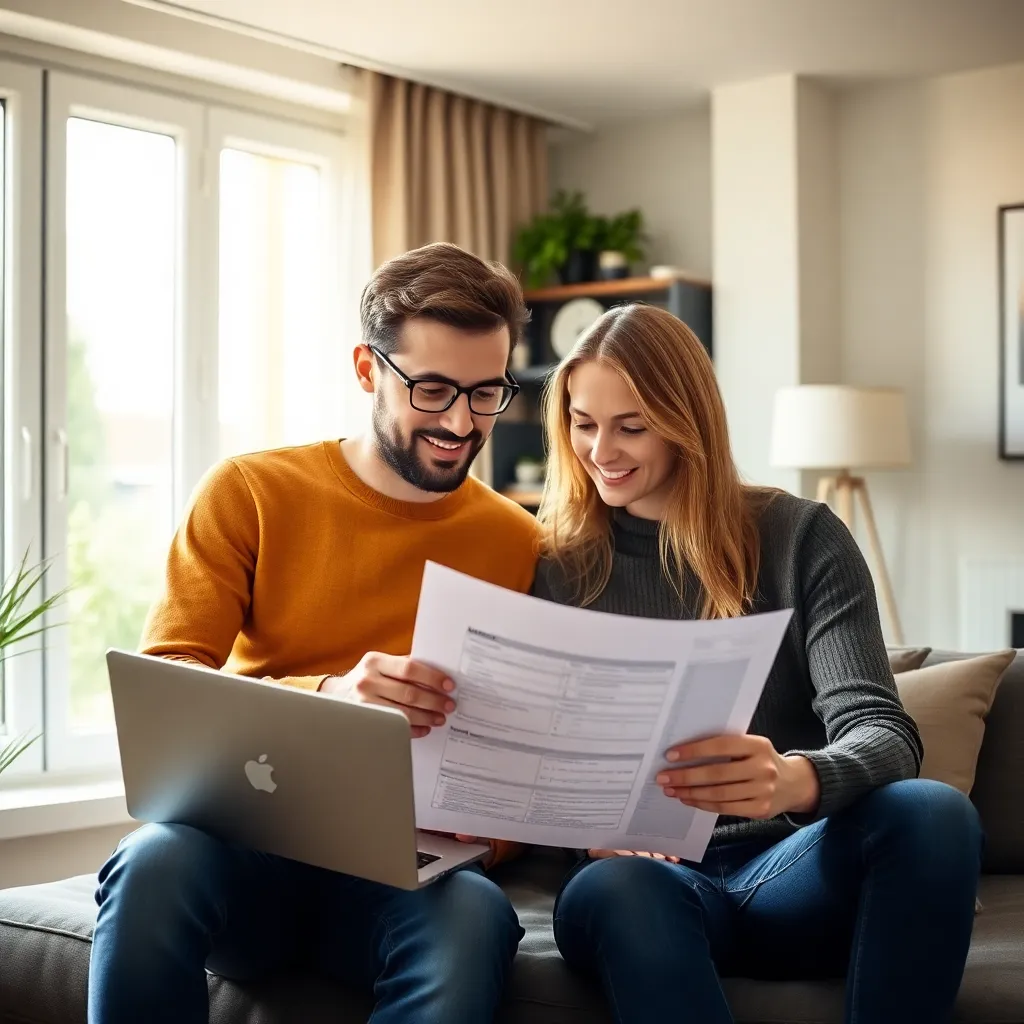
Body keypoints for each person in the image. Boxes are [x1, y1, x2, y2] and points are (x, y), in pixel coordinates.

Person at [88, 243, 540, 1024]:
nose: (461, 422)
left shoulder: (520, 542)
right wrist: (330, 697)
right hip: (243, 850)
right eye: (433, 389)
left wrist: (489, 835)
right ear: (368, 370)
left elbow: (532, 746)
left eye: (486, 393)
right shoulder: (252, 492)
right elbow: (166, 682)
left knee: (475, 913)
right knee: (153, 860)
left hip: (405, 873)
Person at [530, 303, 982, 1024]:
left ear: (687, 422)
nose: (600, 450)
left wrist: (794, 780)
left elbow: (884, 731)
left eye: (631, 426)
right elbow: (528, 764)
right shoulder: (557, 566)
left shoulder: (799, 537)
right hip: (641, 889)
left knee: (934, 811)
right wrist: (586, 829)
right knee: (618, 888)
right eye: (583, 424)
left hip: (791, 872)